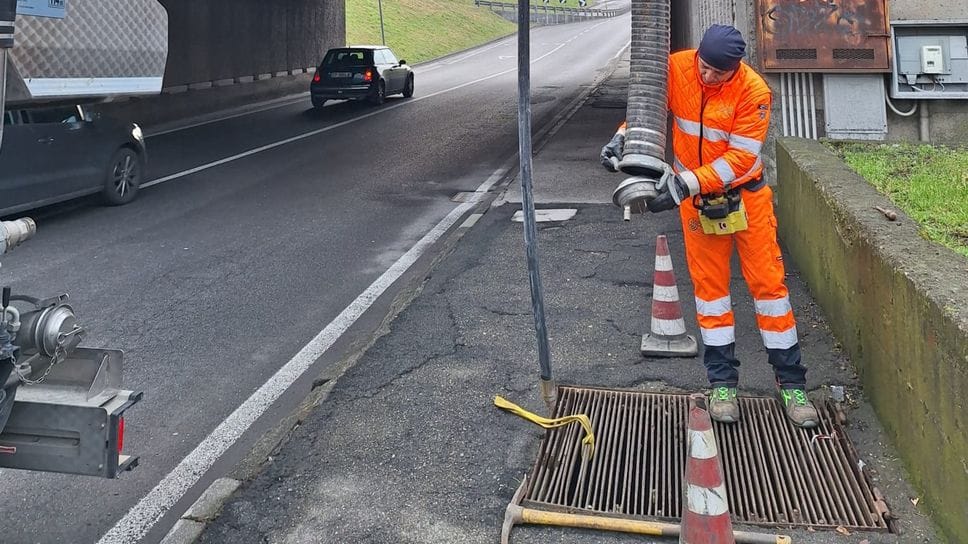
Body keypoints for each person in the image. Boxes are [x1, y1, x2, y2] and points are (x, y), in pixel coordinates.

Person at [601, 24, 819, 428]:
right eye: (704, 67)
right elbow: (647, 110)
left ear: (735, 68)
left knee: (770, 290)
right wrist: (623, 137)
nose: (707, 77)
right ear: (697, 55)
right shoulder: (679, 68)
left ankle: (792, 384)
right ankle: (723, 384)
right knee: (711, 294)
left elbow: (739, 160)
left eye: (718, 73)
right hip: (698, 203)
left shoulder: (755, 94)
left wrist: (683, 184)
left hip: (745, 199)